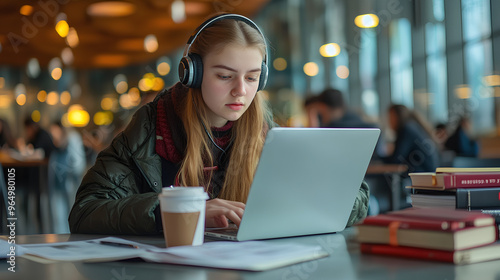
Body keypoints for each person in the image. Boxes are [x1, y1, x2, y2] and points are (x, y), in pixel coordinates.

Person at [69, 13, 369, 235]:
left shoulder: (265, 129)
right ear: (192, 74)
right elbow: (85, 213)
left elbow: (357, 198)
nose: (241, 90)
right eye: (225, 76)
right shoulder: (150, 126)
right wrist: (185, 213)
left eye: (252, 78)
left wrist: (301, 199)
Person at [304, 88, 387, 160]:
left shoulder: (334, 127)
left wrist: (311, 114)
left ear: (322, 107)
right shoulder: (354, 117)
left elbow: (313, 146)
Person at [49, 121, 86, 233]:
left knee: (72, 212)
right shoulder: (54, 144)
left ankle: (72, 237)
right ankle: (61, 238)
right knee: (58, 215)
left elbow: (79, 163)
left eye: (55, 131)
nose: (53, 134)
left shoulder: (73, 138)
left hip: (71, 182)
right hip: (57, 183)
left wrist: (70, 171)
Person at [383, 104, 439, 173]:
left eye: (390, 117)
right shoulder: (413, 126)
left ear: (397, 116)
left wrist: (378, 159)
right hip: (427, 173)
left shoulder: (407, 129)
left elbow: (396, 159)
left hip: (421, 175)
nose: (389, 121)